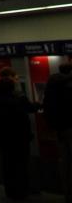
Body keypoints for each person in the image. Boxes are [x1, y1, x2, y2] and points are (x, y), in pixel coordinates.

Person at [0, 77, 37, 199]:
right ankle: (22, 191)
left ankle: (10, 190)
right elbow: (29, 109)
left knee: (7, 165)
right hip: (19, 138)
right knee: (21, 165)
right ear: (12, 88)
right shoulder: (17, 100)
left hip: (3, 139)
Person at [43, 61, 72, 203]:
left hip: (59, 128)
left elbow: (47, 106)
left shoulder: (51, 83)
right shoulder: (68, 85)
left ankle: (68, 193)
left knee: (65, 161)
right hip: (69, 126)